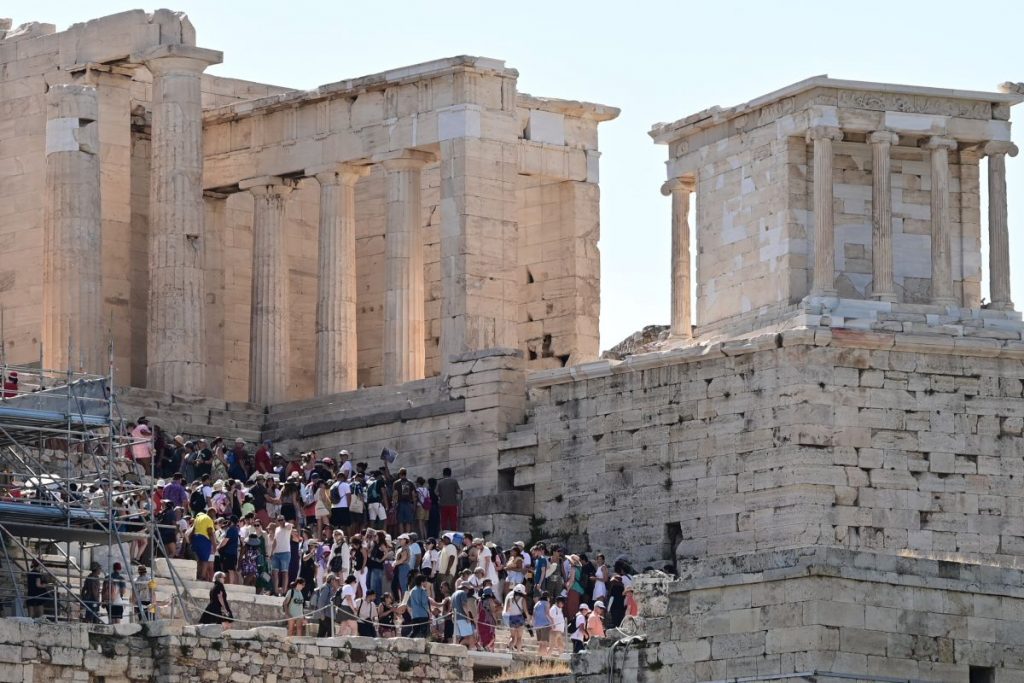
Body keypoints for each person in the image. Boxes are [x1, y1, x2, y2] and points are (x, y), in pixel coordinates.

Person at [189, 509, 215, 581]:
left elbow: (193, 530)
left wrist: (191, 541)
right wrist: (214, 545)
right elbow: (210, 532)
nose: (214, 516)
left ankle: (198, 575)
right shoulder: (209, 519)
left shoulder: (198, 518)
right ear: (211, 513)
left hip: (196, 538)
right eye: (214, 514)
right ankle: (202, 576)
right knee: (204, 560)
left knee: (199, 560)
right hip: (204, 540)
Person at [503, 583, 529, 653]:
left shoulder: (509, 598)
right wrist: (529, 619)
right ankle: (518, 651)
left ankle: (510, 650)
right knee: (519, 637)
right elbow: (525, 611)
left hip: (511, 618)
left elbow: (507, 610)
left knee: (513, 637)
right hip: (520, 618)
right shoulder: (523, 599)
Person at [270, 518, 293, 596]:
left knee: (284, 572)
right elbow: (275, 541)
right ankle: (275, 591)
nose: (280, 521)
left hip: (285, 553)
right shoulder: (276, 529)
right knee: (274, 572)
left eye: (281, 519)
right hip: (276, 553)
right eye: (278, 520)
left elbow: (289, 526)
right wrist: (271, 552)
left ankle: (284, 591)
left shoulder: (287, 526)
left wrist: (284, 523)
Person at [451, 583, 477, 648]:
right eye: (468, 589)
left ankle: (456, 650)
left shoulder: (453, 594)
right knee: (470, 635)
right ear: (466, 588)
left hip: (455, 618)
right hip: (462, 618)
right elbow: (464, 605)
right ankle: (471, 650)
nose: (469, 591)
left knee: (456, 637)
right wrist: (468, 616)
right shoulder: (463, 593)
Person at [392, 468, 417, 535]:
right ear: (406, 474)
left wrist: (393, 505)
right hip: (409, 504)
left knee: (400, 522)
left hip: (400, 504)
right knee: (408, 522)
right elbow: (414, 495)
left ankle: (402, 537)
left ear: (400, 474)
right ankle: (408, 537)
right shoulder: (411, 482)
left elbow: (395, 495)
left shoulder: (396, 483)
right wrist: (414, 506)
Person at [436, 467, 461, 531]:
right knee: (453, 521)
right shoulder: (454, 481)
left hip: (443, 504)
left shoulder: (440, 483)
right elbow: (458, 491)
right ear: (450, 473)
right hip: (453, 504)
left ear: (443, 474)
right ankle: (454, 533)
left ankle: (444, 534)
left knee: (444, 521)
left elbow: (437, 493)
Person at [533, 591, 552, 656]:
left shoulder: (537, 603)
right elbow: (547, 613)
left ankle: (539, 656)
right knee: (544, 643)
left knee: (541, 643)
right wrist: (552, 621)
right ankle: (544, 656)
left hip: (537, 625)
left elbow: (534, 615)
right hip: (545, 624)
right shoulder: (547, 603)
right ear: (547, 597)